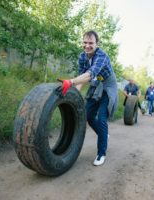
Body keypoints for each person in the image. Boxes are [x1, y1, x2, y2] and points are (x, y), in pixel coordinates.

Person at [60, 30, 118, 166]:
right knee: (88, 115)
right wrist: (74, 94)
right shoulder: (82, 57)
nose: (87, 46)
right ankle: (103, 135)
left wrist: (70, 82)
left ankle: (101, 153)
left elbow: (89, 75)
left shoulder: (102, 56)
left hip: (108, 86)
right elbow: (81, 79)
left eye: (91, 43)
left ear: (97, 43)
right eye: (85, 42)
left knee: (102, 118)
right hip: (97, 84)